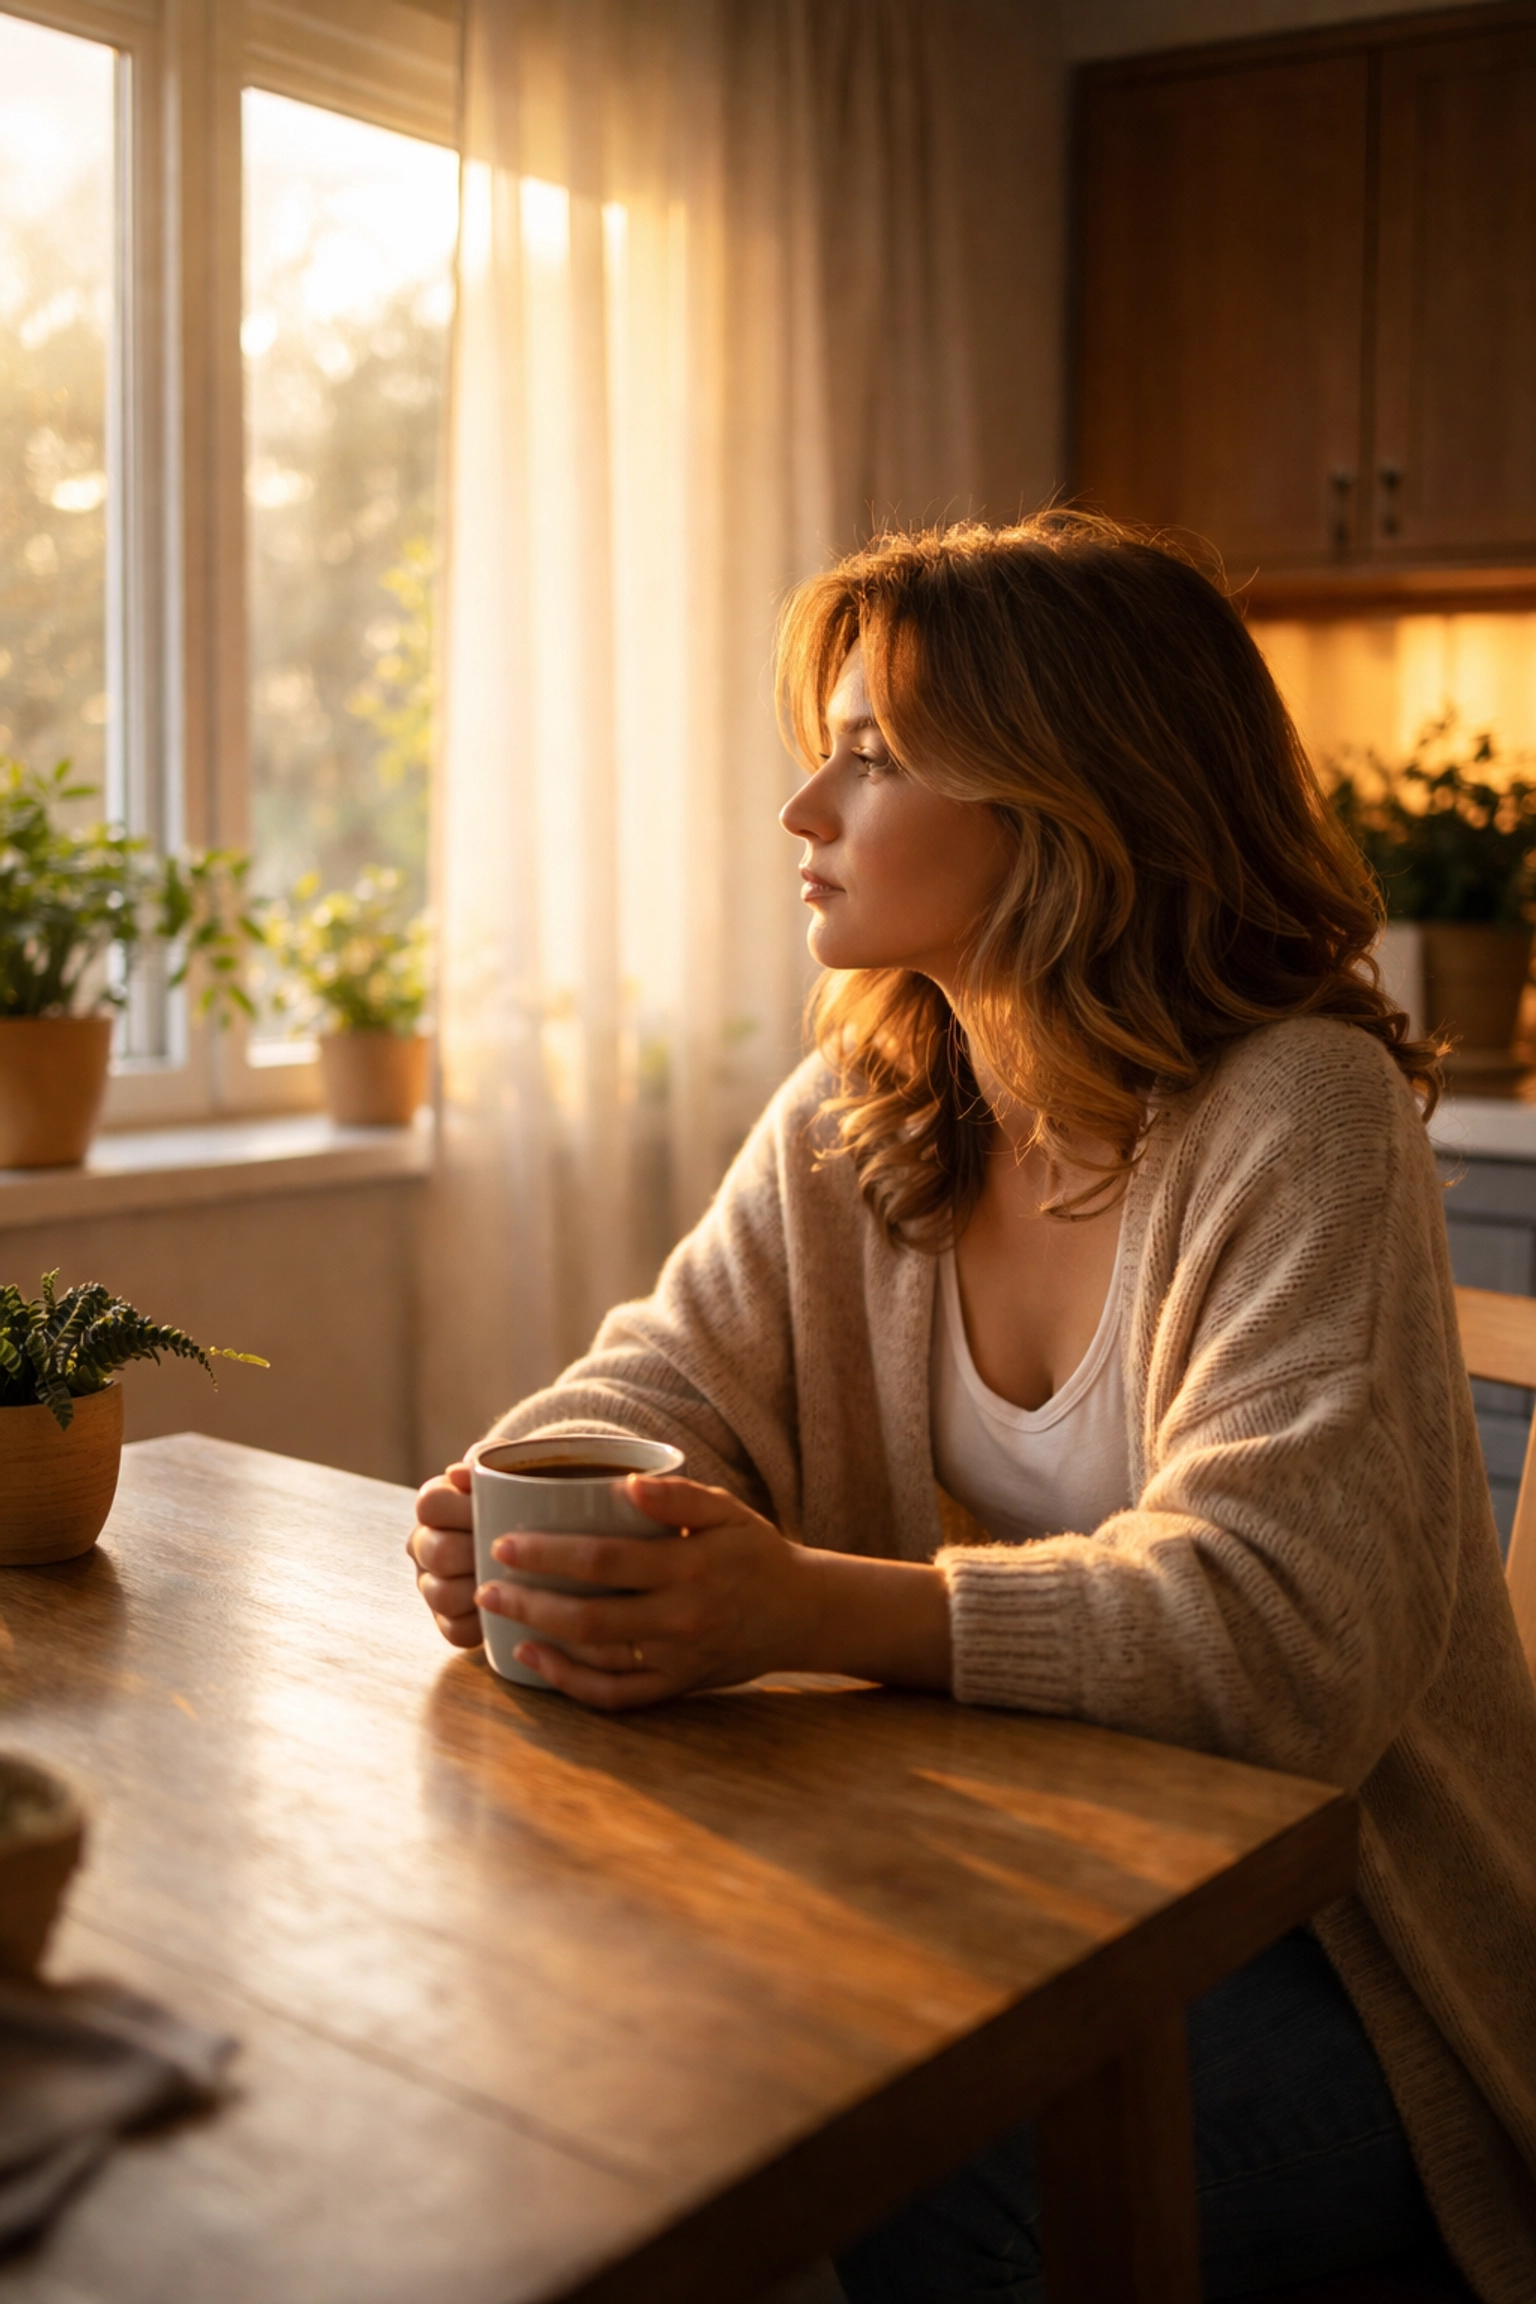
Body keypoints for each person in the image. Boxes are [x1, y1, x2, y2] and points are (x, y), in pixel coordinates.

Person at [407, 513, 1536, 2302]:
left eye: (870, 757)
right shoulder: (872, 1095)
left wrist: (808, 1605)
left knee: (879, 2184)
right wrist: (525, 1500)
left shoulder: (1296, 1113)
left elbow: (1291, 1637)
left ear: (1070, 797)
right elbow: (670, 1377)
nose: (803, 810)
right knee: (591, 2054)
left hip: (1348, 1956)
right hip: (1028, 1876)